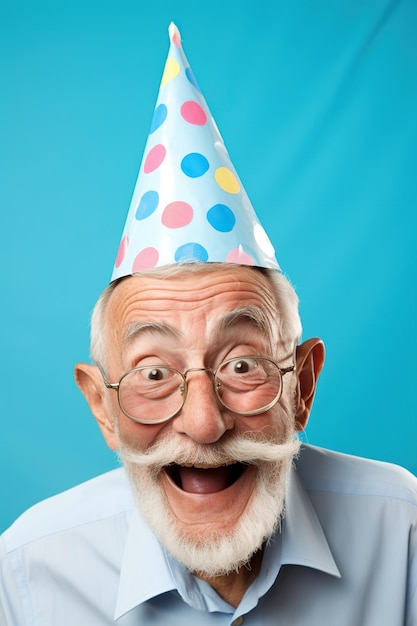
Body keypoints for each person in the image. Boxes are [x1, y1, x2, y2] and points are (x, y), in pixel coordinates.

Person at [1, 23, 416, 626]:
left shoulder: (404, 537)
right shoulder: (26, 579)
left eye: (242, 365)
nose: (203, 423)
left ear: (302, 386)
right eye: (153, 372)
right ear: (102, 408)